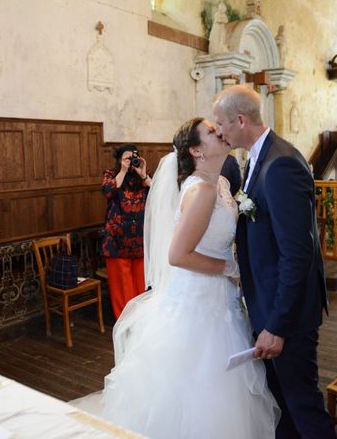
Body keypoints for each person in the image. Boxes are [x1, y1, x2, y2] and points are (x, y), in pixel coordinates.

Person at [93, 118, 278, 438]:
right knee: (199, 389)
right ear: (196, 150)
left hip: (220, 301)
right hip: (197, 302)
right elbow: (178, 255)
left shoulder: (219, 184)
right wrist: (231, 269)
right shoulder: (201, 191)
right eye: (210, 131)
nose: (220, 132)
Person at [213, 85, 336, 439]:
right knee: (283, 403)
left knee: (303, 405)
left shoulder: (280, 163)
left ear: (240, 119)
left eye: (221, 123)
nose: (219, 131)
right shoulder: (257, 157)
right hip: (269, 304)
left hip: (289, 315)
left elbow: (298, 254)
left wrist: (277, 326)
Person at [101, 145, 152, 318]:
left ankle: (141, 321)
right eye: (126, 158)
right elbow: (108, 192)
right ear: (119, 160)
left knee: (140, 286)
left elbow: (159, 193)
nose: (130, 161)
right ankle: (125, 325)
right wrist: (122, 170)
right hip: (117, 241)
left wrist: (143, 173)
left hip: (139, 241)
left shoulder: (141, 176)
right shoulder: (111, 174)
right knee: (122, 288)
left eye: (133, 157)